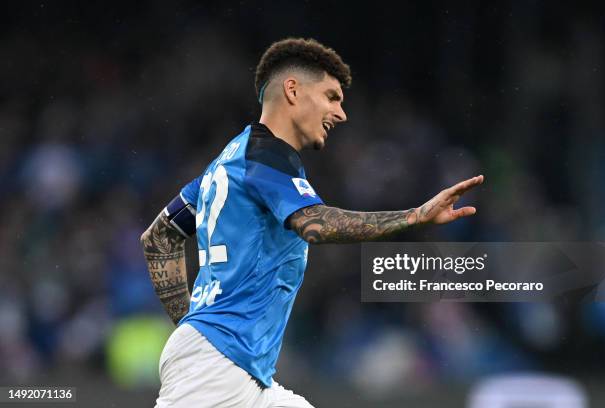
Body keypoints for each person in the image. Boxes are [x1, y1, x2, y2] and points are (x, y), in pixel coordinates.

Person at [140, 37, 484, 407]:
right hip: (214, 371)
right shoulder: (265, 158)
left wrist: (191, 324)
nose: (341, 113)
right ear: (292, 90)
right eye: (331, 97)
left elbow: (159, 237)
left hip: (240, 369)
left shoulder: (229, 163)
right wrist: (415, 216)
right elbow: (315, 224)